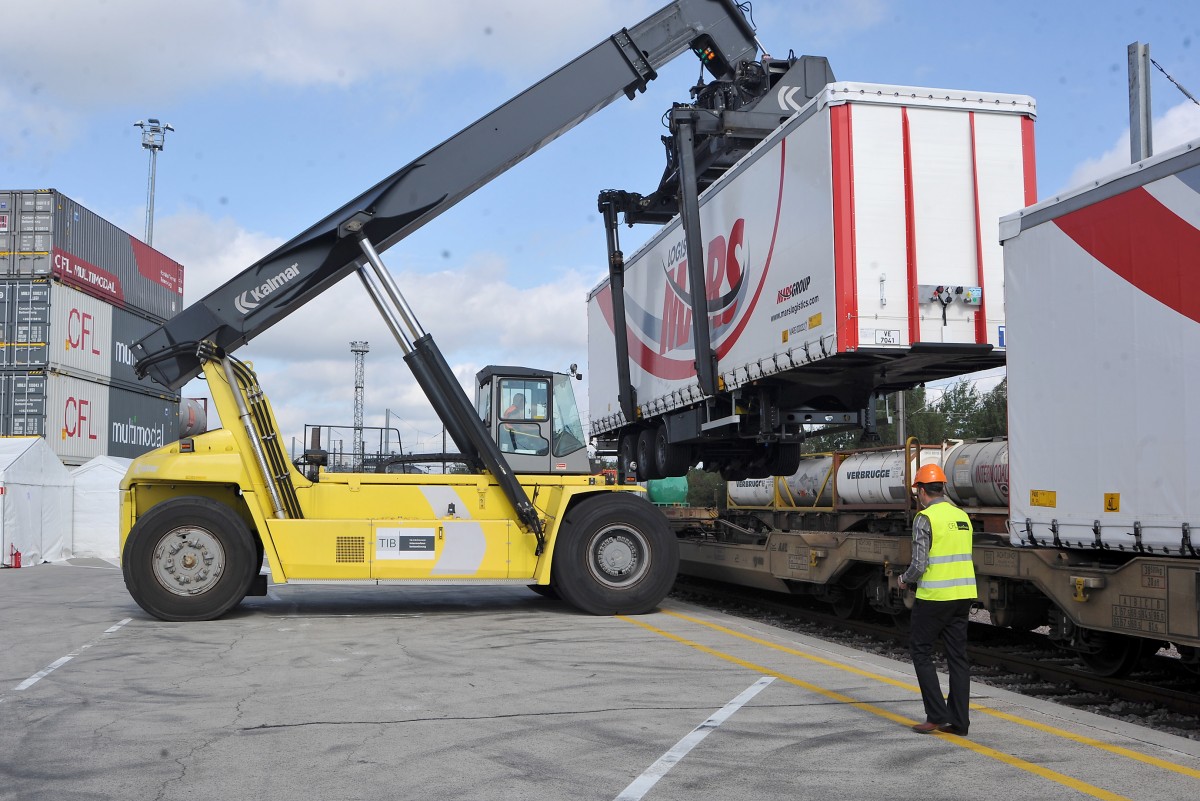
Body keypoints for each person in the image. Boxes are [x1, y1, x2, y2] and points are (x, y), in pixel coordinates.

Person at [897, 463, 977, 737]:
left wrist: (904, 579)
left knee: (921, 651)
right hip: (963, 596)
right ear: (942, 487)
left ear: (921, 490)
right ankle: (960, 722)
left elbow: (920, 563)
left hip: (934, 597)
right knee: (957, 657)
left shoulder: (925, 518)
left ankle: (936, 715)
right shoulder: (961, 517)